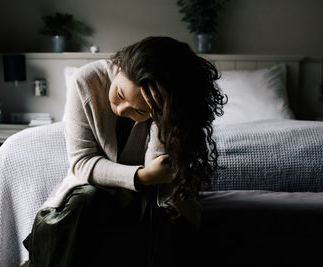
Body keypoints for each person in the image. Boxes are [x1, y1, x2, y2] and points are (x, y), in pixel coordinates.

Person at [23, 36, 226, 267]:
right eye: (120, 94)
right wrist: (143, 176)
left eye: (139, 111)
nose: (120, 110)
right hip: (92, 193)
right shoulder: (86, 81)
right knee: (87, 200)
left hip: (149, 194)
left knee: (164, 215)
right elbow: (82, 162)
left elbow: (159, 170)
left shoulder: (166, 109)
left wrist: (163, 117)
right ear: (119, 68)